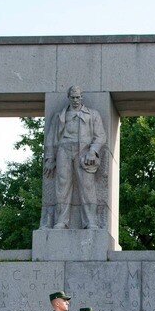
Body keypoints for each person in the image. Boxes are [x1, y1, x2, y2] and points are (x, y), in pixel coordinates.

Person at [43, 85, 107, 230]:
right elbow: (51, 138)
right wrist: (50, 158)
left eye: (78, 97)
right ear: (69, 98)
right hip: (63, 150)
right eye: (73, 97)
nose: (76, 100)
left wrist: (93, 151)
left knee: (87, 187)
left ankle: (91, 221)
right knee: (62, 186)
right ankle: (61, 221)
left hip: (84, 152)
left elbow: (101, 136)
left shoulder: (92, 114)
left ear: (82, 97)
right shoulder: (60, 115)